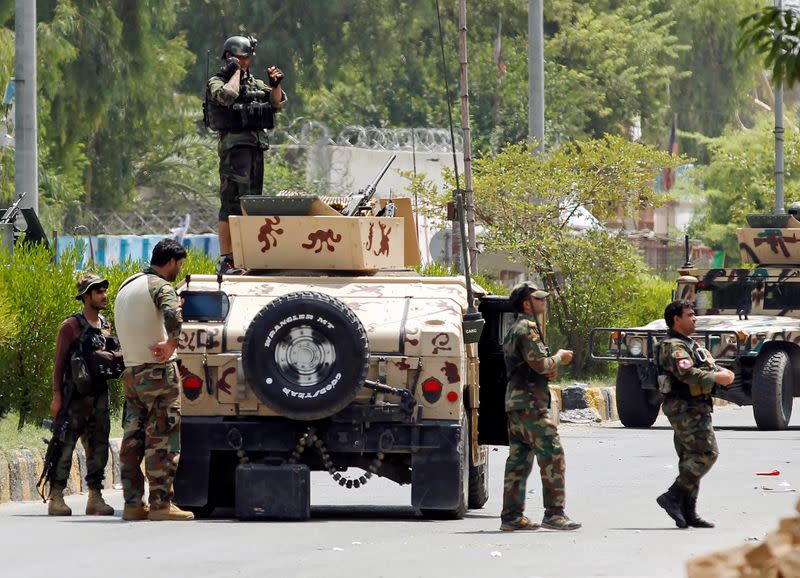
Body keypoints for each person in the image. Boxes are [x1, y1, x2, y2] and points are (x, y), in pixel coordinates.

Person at [114, 239, 194, 521]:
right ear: (171, 262)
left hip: (132, 372)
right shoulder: (161, 286)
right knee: (163, 437)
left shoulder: (127, 285)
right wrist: (172, 342)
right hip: (158, 372)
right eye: (179, 264)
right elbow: (173, 313)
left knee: (132, 441)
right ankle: (161, 504)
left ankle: (133, 503)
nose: (178, 269)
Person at [499, 282, 582, 532]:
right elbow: (541, 364)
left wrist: (547, 368)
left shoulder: (516, 329)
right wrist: (559, 357)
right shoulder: (527, 328)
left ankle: (511, 517)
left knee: (519, 460)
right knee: (552, 454)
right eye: (539, 298)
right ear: (527, 304)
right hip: (530, 405)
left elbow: (532, 367)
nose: (544, 302)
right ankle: (554, 514)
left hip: (516, 403)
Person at [205, 34, 287, 275]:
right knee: (231, 204)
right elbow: (226, 97)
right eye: (243, 57)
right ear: (231, 57)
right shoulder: (217, 81)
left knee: (252, 202)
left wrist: (275, 84)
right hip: (234, 150)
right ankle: (227, 258)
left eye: (247, 58)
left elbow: (277, 103)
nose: (247, 61)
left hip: (255, 148)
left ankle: (249, 254)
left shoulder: (254, 83)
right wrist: (234, 71)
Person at [47, 274, 121, 516]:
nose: (103, 295)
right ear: (85, 296)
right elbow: (58, 365)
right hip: (74, 399)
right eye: (97, 291)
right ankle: (56, 496)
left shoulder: (105, 325)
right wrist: (57, 396)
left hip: (99, 398)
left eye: (104, 290)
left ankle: (95, 497)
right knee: (64, 447)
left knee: (99, 448)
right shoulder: (71, 326)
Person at [656, 299, 735, 528]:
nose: (694, 318)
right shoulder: (673, 346)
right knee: (707, 454)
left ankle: (688, 512)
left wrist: (721, 371)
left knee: (689, 459)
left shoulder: (690, 344)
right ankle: (672, 496)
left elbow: (705, 366)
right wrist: (718, 378)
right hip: (685, 408)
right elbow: (687, 374)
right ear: (676, 319)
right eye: (689, 315)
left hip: (695, 406)